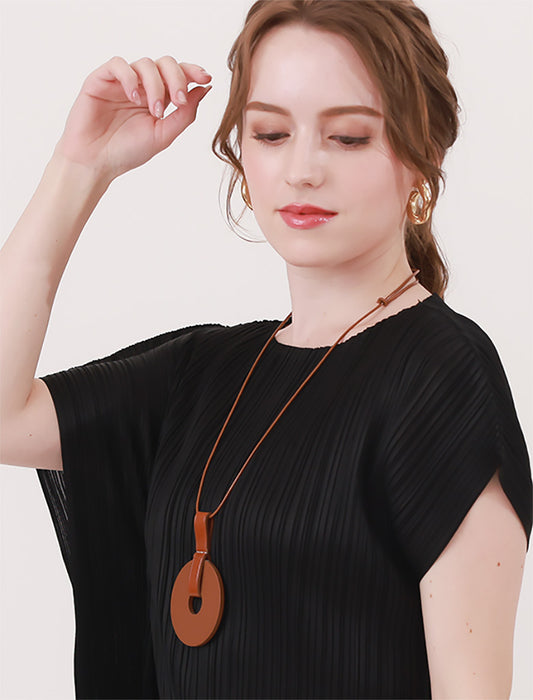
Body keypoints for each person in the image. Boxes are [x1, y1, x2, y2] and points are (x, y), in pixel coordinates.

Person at [1, 0, 531, 698]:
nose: (302, 170)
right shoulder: (204, 373)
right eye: (272, 133)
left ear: (422, 155)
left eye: (347, 137)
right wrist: (81, 165)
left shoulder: (441, 376)